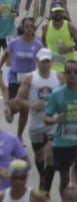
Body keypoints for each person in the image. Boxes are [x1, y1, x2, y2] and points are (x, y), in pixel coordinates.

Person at [15, 48, 62, 196]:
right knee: (39, 156)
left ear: (51, 62)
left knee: (50, 155)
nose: (45, 65)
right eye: (42, 62)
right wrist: (33, 106)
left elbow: (67, 93)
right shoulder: (30, 78)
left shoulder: (59, 78)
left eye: (47, 61)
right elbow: (19, 98)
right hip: (36, 122)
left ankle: (46, 191)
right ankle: (42, 175)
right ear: (37, 62)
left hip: (53, 121)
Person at [44, 59, 77, 199]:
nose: (72, 75)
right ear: (64, 73)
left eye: (76, 72)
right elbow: (46, 117)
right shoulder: (56, 94)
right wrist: (55, 120)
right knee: (64, 179)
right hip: (62, 143)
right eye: (69, 72)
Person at [41, 3, 77, 74]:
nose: (58, 14)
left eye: (60, 11)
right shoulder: (45, 27)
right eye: (56, 11)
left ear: (63, 13)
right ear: (51, 13)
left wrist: (69, 49)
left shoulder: (70, 27)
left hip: (68, 67)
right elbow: (43, 43)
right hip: (52, 67)